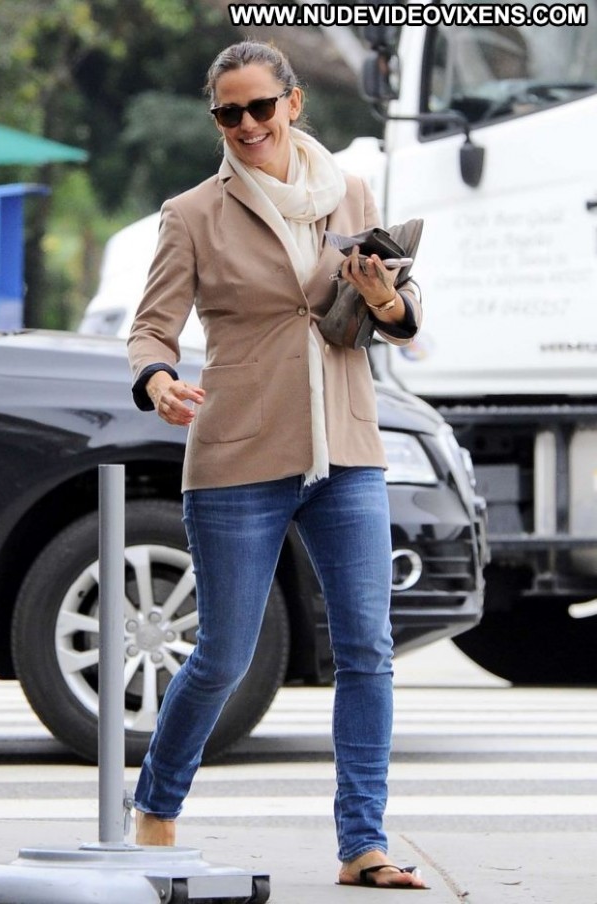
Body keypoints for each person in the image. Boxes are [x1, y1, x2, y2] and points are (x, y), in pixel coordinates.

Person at [127, 39, 426, 890]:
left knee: (367, 649)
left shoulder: (351, 192)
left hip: (347, 449)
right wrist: (158, 380)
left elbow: (402, 315)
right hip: (238, 454)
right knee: (223, 654)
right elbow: (151, 328)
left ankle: (363, 843)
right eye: (229, 113)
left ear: (294, 103)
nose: (248, 124)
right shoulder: (192, 213)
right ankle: (156, 805)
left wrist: (384, 297)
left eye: (261, 107)